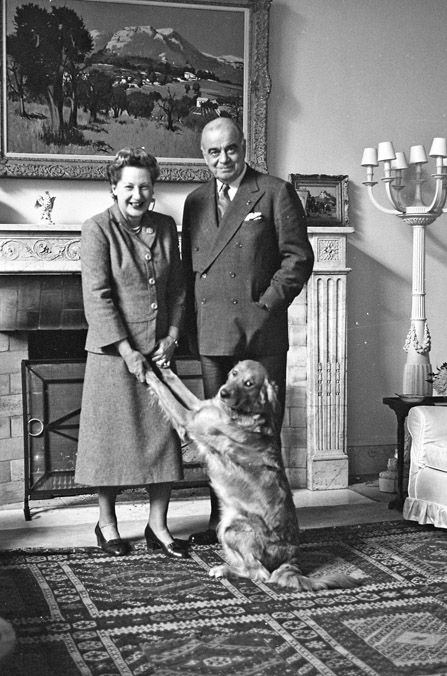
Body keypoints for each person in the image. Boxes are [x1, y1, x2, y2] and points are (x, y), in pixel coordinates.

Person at [181, 117, 315, 545]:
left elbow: (298, 258)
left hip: (260, 336)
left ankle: (275, 524)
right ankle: (222, 519)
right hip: (211, 334)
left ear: (244, 147)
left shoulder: (275, 192)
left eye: (231, 149)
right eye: (213, 152)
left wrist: (267, 306)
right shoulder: (195, 200)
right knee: (216, 433)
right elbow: (189, 271)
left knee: (262, 436)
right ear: (203, 155)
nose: (223, 159)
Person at [75, 147, 189, 559]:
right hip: (113, 355)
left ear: (153, 190)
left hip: (159, 353)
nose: (137, 194)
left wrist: (173, 336)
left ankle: (158, 525)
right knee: (109, 443)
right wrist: (126, 351)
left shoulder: (164, 225)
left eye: (144, 186)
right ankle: (107, 525)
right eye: (128, 186)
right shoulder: (96, 229)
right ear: (113, 189)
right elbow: (98, 296)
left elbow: (178, 288)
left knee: (163, 440)